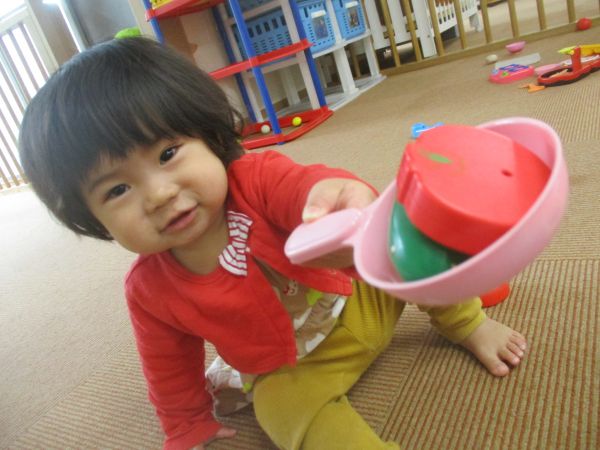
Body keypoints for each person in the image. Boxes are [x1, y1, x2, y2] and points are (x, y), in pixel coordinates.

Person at [19, 37, 527, 450]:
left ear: (206, 135)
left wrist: (336, 198)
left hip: (360, 295)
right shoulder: (149, 290)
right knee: (279, 411)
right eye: (117, 190)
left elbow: (307, 187)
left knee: (405, 241)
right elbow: (167, 363)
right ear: (91, 217)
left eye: (168, 153)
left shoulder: (254, 178)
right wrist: (185, 424)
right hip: (296, 366)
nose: (159, 194)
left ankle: (466, 322)